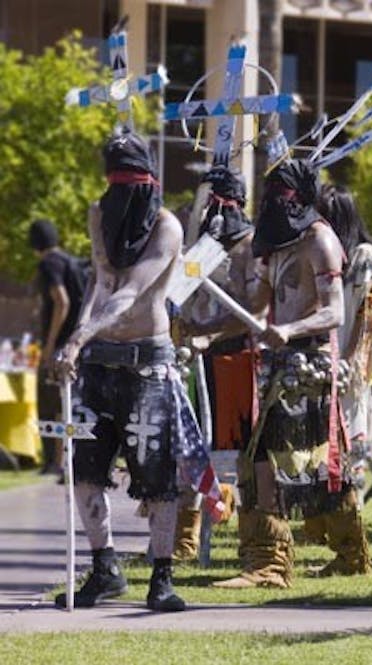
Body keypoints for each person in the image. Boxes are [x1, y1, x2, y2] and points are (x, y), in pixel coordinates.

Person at [53, 128, 224, 611]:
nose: (118, 200)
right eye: (114, 188)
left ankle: (162, 577)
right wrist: (78, 339)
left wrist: (79, 337)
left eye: (128, 188)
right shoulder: (99, 214)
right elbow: (101, 284)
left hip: (147, 364)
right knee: (85, 469)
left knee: (157, 477)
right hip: (99, 363)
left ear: (147, 186)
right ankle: (104, 567)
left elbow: (130, 294)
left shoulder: (167, 227)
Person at [213, 153, 347, 589]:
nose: (272, 203)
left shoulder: (320, 241)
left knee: (295, 465)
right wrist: (206, 332)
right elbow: (253, 310)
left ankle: (285, 563)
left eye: (280, 195)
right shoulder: (278, 245)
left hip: (308, 365)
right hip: (275, 366)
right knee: (263, 462)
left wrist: (289, 329)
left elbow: (335, 312)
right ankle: (271, 561)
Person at [173, 165, 261, 561]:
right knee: (190, 449)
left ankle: (256, 543)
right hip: (196, 363)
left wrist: (211, 331)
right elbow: (179, 297)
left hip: (240, 362)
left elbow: (255, 309)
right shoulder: (203, 247)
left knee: (244, 456)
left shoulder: (253, 246)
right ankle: (184, 541)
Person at [302, 183, 372, 576]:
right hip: (323, 367)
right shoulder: (327, 255)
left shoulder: (364, 257)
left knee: (345, 452)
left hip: (348, 372)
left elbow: (371, 316)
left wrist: (353, 362)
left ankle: (352, 551)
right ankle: (325, 534)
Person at [29, 219, 86, 476]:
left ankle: (55, 463)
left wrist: (51, 344)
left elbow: (61, 301)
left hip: (60, 345)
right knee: (65, 403)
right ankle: (62, 463)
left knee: (50, 401)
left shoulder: (49, 264)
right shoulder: (69, 262)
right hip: (75, 344)